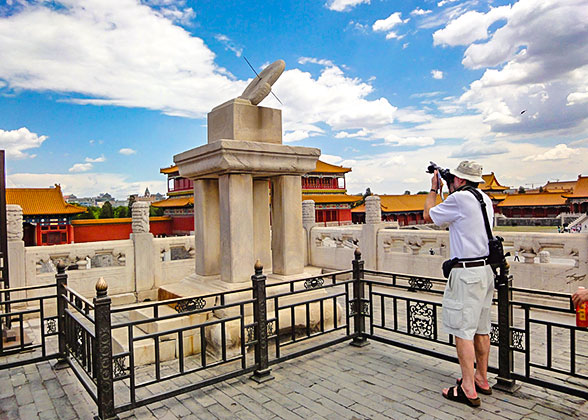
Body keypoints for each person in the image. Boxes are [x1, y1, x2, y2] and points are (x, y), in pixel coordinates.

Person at [423, 160, 495, 408]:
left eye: (453, 178)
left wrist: (434, 189)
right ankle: (482, 378)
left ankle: (467, 387)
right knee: (481, 328)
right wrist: (448, 188)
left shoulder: (460, 199)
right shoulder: (484, 199)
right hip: (485, 271)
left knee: (462, 331)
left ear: (461, 180)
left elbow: (428, 215)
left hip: (466, 274)